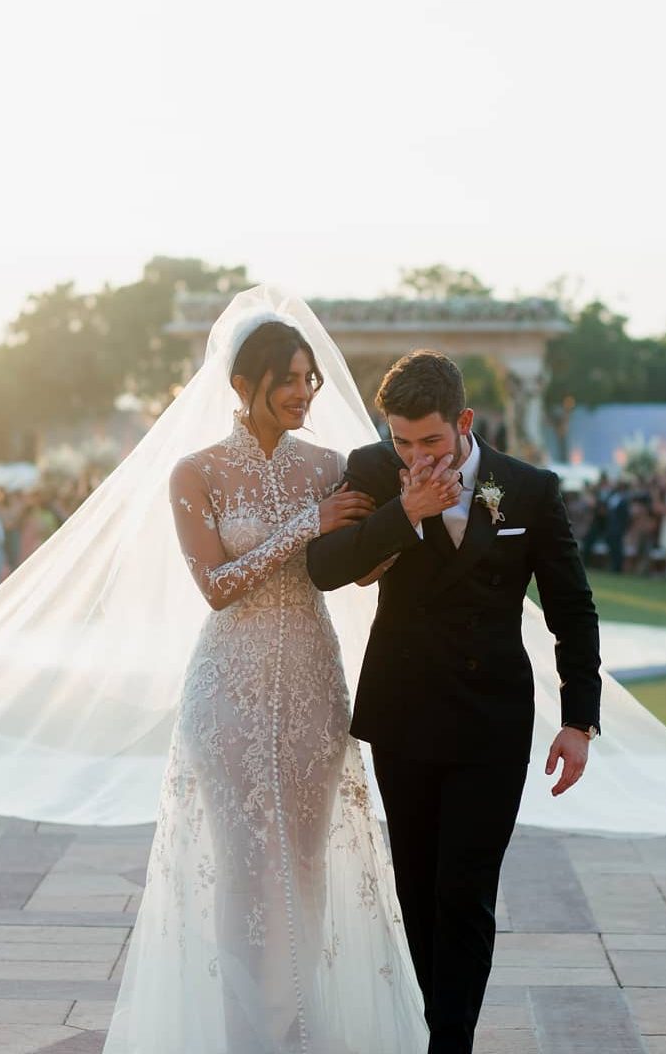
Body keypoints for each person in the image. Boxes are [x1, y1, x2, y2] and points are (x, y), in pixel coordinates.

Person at [102, 317, 430, 1052]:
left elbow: (358, 567)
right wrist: (304, 526)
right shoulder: (196, 472)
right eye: (287, 378)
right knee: (245, 867)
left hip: (314, 678)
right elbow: (216, 586)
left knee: (309, 862)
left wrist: (400, 523)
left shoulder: (332, 464)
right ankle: (245, 1031)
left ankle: (300, 1025)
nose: (303, 392)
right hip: (229, 687)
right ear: (243, 384)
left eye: (309, 377)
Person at [306, 350, 601, 1054]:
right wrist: (404, 512)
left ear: (463, 422)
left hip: (491, 722)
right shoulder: (375, 472)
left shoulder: (528, 489)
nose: (415, 456)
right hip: (403, 711)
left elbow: (572, 608)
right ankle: (433, 1028)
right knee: (416, 888)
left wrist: (578, 719)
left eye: (430, 441)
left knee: (464, 892)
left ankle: (450, 1044)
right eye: (401, 441)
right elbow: (324, 569)